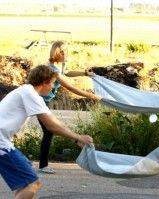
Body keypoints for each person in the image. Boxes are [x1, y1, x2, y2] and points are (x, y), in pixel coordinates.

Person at [0, 65, 94, 199]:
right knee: (32, 184)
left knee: (26, 183)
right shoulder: (30, 93)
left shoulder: (29, 92)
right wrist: (78, 137)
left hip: (4, 143)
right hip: (2, 145)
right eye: (52, 83)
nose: (53, 88)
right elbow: (51, 126)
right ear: (44, 82)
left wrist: (77, 138)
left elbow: (54, 121)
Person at [38, 41, 101, 174]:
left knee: (48, 130)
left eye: (66, 50)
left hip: (44, 100)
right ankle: (43, 165)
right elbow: (69, 87)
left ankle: (41, 164)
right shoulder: (52, 69)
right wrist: (91, 96)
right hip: (38, 100)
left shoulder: (60, 65)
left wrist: (84, 73)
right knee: (49, 130)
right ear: (55, 53)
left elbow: (67, 72)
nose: (65, 53)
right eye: (62, 51)